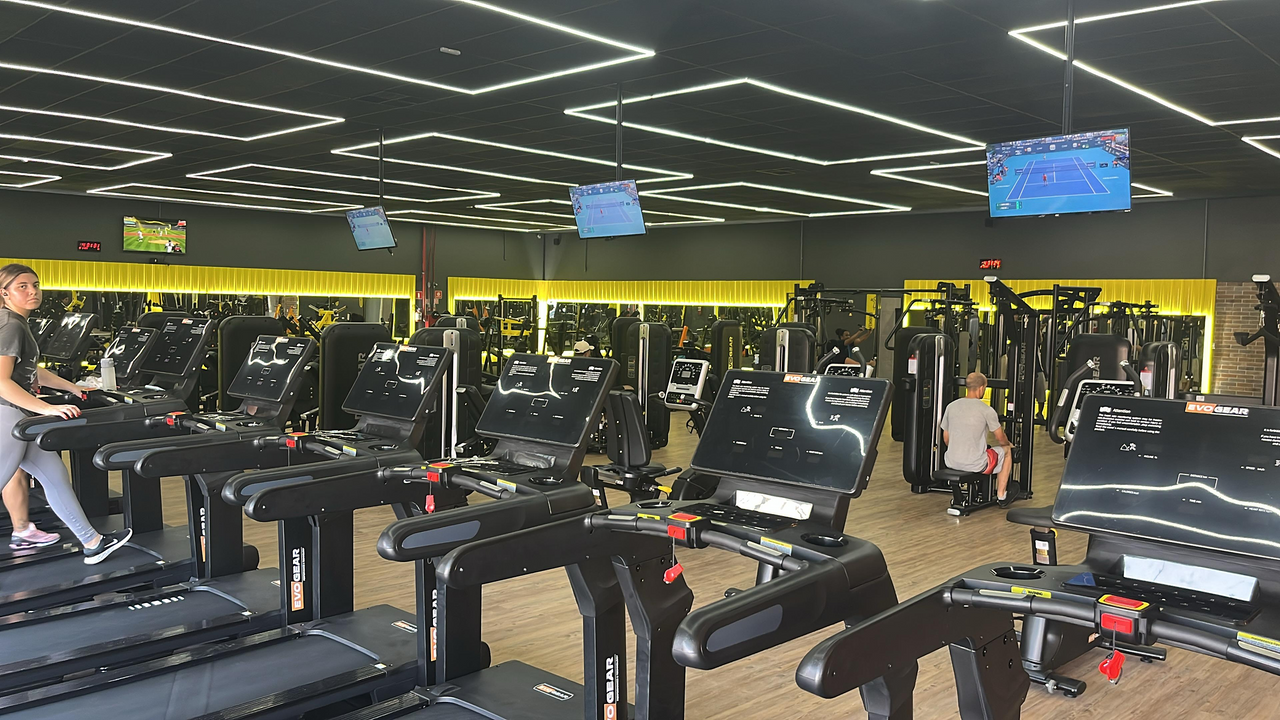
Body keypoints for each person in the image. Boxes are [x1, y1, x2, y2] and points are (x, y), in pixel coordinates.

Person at [0, 264, 132, 561]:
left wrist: (72, 387)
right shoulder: (10, 325)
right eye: (22, 286)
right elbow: (1, 381)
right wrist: (48, 408)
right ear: (4, 293)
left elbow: (30, 370)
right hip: (6, 416)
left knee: (56, 476)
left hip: (18, 415)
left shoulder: (15, 321)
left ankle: (92, 542)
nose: (33, 291)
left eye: (35, 285)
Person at [940, 371, 1019, 507]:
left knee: (986, 451)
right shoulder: (986, 410)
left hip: (950, 461)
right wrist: (1009, 445)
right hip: (976, 464)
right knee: (1006, 451)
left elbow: (946, 439)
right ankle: (1002, 496)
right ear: (982, 388)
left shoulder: (951, 407)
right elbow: (1000, 438)